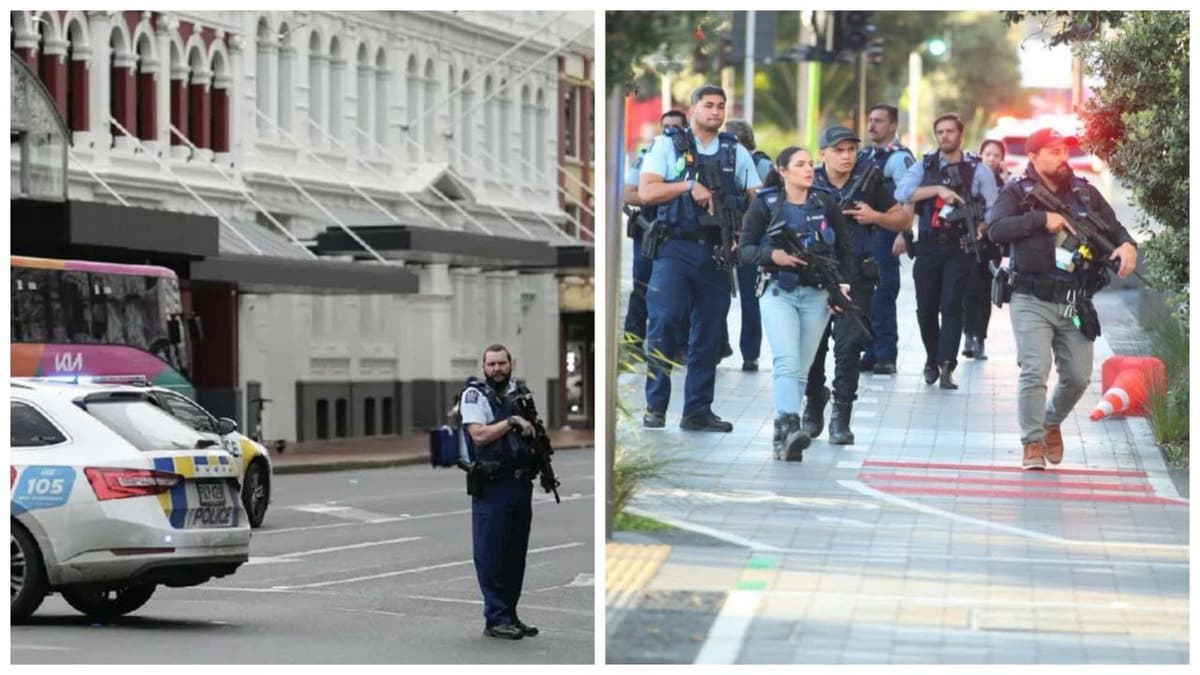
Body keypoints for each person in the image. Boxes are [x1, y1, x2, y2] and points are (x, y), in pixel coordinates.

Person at [987, 128, 1137, 470]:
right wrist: (1042, 220)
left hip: (1075, 300)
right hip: (1031, 297)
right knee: (1034, 370)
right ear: (1034, 156)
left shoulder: (1085, 193)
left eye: (1065, 151)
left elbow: (1115, 230)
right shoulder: (1016, 192)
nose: (1062, 158)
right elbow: (996, 229)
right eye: (1053, 151)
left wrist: (1127, 245)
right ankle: (1032, 443)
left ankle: (1051, 421)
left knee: (1079, 376)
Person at [638, 85, 762, 431]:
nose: (716, 112)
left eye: (721, 107)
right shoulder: (668, 145)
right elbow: (647, 192)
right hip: (675, 248)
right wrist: (687, 185)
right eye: (708, 106)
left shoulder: (735, 152)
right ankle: (655, 405)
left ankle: (697, 411)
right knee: (664, 321)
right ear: (692, 110)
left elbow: (758, 200)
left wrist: (743, 236)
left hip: (717, 250)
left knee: (708, 333)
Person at [738, 146, 856, 460]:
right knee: (787, 362)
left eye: (810, 164)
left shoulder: (824, 201)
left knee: (802, 370)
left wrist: (841, 288)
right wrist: (772, 255)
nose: (808, 170)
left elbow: (844, 250)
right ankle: (788, 428)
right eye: (800, 164)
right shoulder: (766, 203)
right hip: (778, 290)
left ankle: (784, 440)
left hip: (817, 293)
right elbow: (744, 249)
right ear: (783, 169)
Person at [803, 126, 910, 444]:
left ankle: (841, 415)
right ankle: (813, 402)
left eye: (851, 149)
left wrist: (875, 216)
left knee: (848, 347)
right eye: (839, 150)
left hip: (856, 275)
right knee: (812, 348)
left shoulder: (869, 181)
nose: (846, 156)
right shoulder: (808, 181)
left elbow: (903, 218)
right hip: (815, 274)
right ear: (822, 153)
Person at [895, 112, 999, 389]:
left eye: (949, 131)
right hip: (928, 244)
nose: (944, 136)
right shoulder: (925, 166)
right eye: (940, 132)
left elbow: (994, 206)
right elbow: (902, 193)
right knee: (926, 308)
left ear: (960, 135)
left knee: (952, 305)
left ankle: (946, 365)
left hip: (960, 246)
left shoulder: (978, 170)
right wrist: (937, 189)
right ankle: (932, 357)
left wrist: (982, 228)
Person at [459, 344, 540, 639]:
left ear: (510, 364)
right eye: (491, 364)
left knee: (515, 553)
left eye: (501, 363)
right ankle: (495, 618)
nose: (497, 369)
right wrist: (511, 422)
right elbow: (478, 435)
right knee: (491, 552)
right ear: (483, 367)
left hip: (520, 483)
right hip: (492, 484)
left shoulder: (519, 394)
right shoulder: (474, 396)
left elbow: (535, 432)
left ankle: (510, 614)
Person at [623, 110, 688, 357]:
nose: (670, 132)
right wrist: (659, 193)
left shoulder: (691, 158)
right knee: (642, 286)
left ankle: (679, 347)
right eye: (666, 127)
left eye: (676, 127)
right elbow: (628, 193)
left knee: (680, 290)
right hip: (649, 229)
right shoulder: (648, 156)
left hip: (680, 231)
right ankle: (633, 344)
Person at [859, 104, 916, 375]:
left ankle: (886, 354)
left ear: (893, 126)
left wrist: (905, 233)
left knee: (883, 293)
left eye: (879, 121)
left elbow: (908, 198)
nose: (872, 126)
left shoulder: (899, 158)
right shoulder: (866, 154)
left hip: (886, 232)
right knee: (865, 295)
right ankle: (870, 350)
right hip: (865, 234)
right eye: (870, 120)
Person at [722, 118, 767, 371]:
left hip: (750, 239)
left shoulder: (760, 165)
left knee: (750, 298)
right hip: (723, 236)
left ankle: (750, 353)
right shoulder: (717, 160)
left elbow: (765, 202)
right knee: (718, 296)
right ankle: (721, 344)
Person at [961, 139, 1009, 361]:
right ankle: (968, 337)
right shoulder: (972, 180)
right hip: (970, 244)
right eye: (988, 154)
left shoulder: (1005, 185)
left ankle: (980, 339)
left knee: (984, 294)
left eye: (996, 155)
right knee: (968, 291)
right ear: (980, 155)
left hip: (992, 246)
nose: (992, 158)